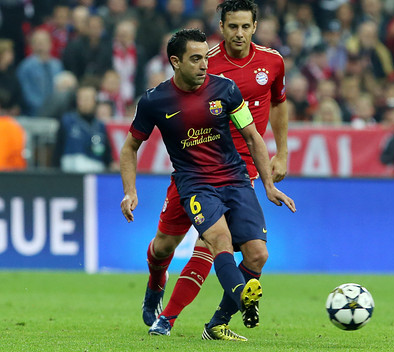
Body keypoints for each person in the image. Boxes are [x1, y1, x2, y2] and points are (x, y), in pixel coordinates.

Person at [120, 28, 295, 339]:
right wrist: (130, 192)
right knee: (171, 247)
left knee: (256, 254)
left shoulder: (225, 91)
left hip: (234, 178)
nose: (204, 65)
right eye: (197, 59)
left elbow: (253, 136)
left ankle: (217, 320)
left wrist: (268, 185)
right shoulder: (155, 101)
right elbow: (130, 147)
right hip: (192, 183)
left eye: (205, 58)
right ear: (175, 61)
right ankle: (158, 285)